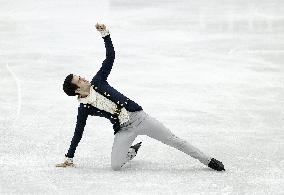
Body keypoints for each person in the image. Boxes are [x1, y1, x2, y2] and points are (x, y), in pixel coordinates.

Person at [56, 23, 225, 171]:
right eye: (80, 80)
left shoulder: (98, 81)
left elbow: (110, 57)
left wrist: (105, 35)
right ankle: (131, 151)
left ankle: (207, 160)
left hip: (139, 118)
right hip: (124, 130)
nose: (84, 78)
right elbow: (78, 132)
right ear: (77, 91)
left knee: (174, 140)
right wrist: (69, 157)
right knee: (115, 166)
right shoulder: (84, 108)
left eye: (81, 76)